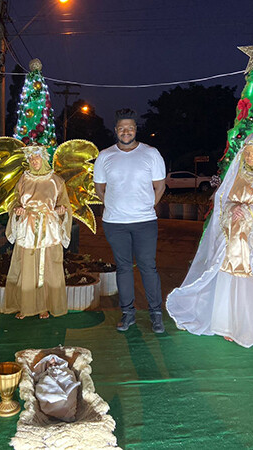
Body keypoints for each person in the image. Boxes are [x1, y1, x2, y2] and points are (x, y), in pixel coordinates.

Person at [166, 132, 253, 347]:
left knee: (249, 287)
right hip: (231, 240)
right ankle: (224, 324)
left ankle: (245, 327)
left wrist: (249, 211)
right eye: (247, 152)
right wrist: (234, 208)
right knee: (227, 281)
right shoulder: (236, 175)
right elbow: (223, 201)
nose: (250, 157)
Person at [93, 108, 166, 333]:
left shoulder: (151, 153)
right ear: (116, 130)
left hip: (144, 221)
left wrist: (145, 206)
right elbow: (99, 189)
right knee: (123, 268)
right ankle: (128, 313)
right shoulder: (105, 156)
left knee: (148, 266)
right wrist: (116, 207)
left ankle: (156, 314)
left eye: (130, 128)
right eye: (122, 128)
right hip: (115, 223)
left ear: (136, 130)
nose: (126, 132)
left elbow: (160, 186)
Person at [4, 145, 71, 319]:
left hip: (48, 229)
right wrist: (17, 209)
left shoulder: (56, 181)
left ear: (43, 159)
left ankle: (44, 306)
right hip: (28, 228)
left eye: (37, 158)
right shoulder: (23, 179)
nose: (34, 161)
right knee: (26, 266)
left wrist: (61, 210)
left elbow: (65, 205)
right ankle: (25, 305)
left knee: (47, 267)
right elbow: (15, 202)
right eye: (31, 159)